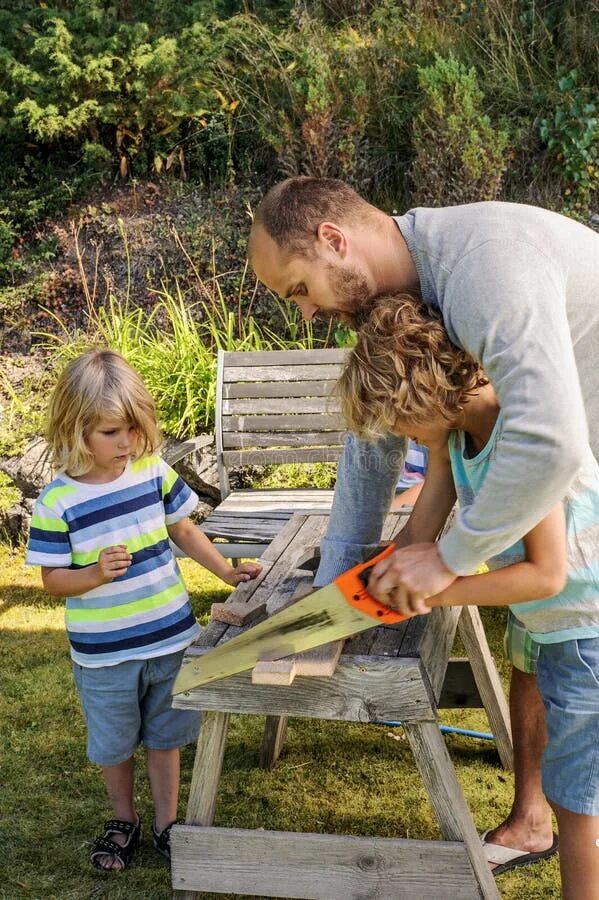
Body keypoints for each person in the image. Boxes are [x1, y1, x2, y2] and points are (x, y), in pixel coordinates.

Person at [249, 176, 599, 868]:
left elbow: (549, 443)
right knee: (536, 641)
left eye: (297, 289)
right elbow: (374, 443)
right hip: (572, 496)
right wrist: (340, 589)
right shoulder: (396, 309)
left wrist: (449, 560)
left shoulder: (483, 268)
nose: (307, 314)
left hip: (578, 468)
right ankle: (534, 817)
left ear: (331, 240)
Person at [336, 294, 599, 899]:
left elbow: (545, 575)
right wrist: (364, 585)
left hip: (585, 633)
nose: (397, 435)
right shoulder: (454, 442)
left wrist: (444, 585)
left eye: (396, 421)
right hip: (558, 631)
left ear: (422, 398)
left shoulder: (518, 439)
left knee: (580, 812)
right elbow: (421, 529)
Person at [25, 349, 261, 871]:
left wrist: (224, 571)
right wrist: (92, 575)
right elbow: (50, 581)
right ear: (75, 427)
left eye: (133, 429)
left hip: (171, 639)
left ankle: (167, 823)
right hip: (104, 656)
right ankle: (123, 819)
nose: (126, 443)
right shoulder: (57, 502)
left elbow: (183, 529)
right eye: (111, 432)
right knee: (115, 745)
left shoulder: (151, 471)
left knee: (166, 736)